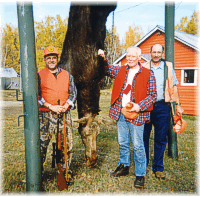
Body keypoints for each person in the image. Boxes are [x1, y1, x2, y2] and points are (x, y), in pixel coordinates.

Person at [98, 47, 157, 189]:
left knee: (138, 145)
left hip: (137, 114)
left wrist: (140, 106)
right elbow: (106, 68)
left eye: (133, 56)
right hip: (121, 113)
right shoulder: (121, 70)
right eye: (128, 56)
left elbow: (153, 95)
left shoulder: (148, 73)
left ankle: (140, 174)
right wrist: (102, 57)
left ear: (139, 57)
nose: (130, 58)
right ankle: (124, 166)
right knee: (122, 141)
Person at [143, 44, 184, 180]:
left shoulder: (168, 67)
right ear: (150, 53)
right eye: (154, 52)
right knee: (144, 137)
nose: (156, 54)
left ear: (162, 53)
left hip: (163, 106)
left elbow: (174, 87)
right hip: (146, 106)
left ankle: (158, 167)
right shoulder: (144, 67)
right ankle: (143, 165)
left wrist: (177, 104)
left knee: (161, 138)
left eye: (159, 52)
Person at [37, 46, 77, 186]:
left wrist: (67, 105)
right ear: (45, 60)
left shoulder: (67, 75)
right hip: (45, 114)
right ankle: (38, 175)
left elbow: (73, 93)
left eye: (54, 58)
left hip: (64, 114)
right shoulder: (38, 75)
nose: (52, 60)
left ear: (57, 59)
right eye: (49, 58)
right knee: (41, 145)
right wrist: (50, 106)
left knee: (66, 145)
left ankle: (65, 173)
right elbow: (37, 96)